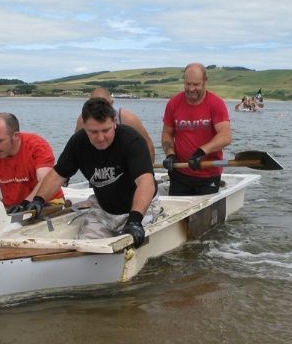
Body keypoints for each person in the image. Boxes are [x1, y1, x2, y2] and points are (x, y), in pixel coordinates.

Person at [28, 97, 158, 248]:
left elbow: (146, 183)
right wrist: (38, 200)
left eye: (106, 130)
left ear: (114, 122)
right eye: (93, 132)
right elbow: (58, 174)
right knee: (84, 245)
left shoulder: (131, 140)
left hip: (140, 209)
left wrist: (135, 221)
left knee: (131, 242)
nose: (101, 138)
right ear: (84, 126)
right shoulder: (78, 142)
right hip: (104, 210)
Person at [161, 62, 232, 196]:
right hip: (180, 173)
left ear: (205, 81)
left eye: (196, 84)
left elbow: (225, 136)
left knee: (203, 216)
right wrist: (170, 154)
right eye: (188, 84)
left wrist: (200, 152)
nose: (191, 88)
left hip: (208, 173)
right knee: (179, 216)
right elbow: (167, 133)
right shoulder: (173, 103)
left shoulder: (216, 104)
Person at [75, 87, 155, 164]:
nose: (100, 109)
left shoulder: (128, 119)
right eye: (95, 105)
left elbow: (148, 144)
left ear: (112, 103)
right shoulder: (82, 121)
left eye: (104, 104)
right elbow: (76, 149)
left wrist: (148, 170)